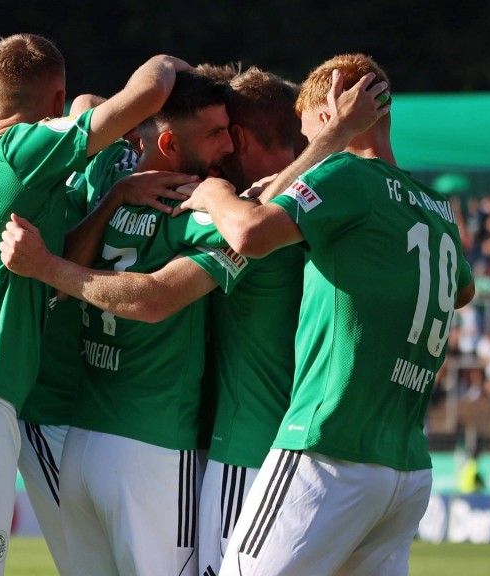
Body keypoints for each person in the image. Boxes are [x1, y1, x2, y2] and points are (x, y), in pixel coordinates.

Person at [0, 33, 193, 575]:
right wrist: (174, 66)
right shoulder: (22, 150)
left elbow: (51, 273)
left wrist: (115, 195)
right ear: (53, 106)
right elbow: (144, 94)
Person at [182, 54, 475, 575]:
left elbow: (249, 233)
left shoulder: (346, 176)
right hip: (405, 467)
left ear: (330, 113)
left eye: (304, 131)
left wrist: (212, 192)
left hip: (327, 449)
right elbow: (463, 291)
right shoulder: (436, 206)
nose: (304, 148)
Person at [0, 68, 238, 575]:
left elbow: (88, 99)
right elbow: (156, 299)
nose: (229, 144)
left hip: (88, 443)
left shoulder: (112, 174)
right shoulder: (201, 211)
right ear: (170, 142)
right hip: (152, 444)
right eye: (217, 133)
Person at [195, 66, 307, 576]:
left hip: (244, 455)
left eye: (219, 136)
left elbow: (155, 298)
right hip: (318, 464)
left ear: (238, 136)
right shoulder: (330, 205)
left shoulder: (243, 216)